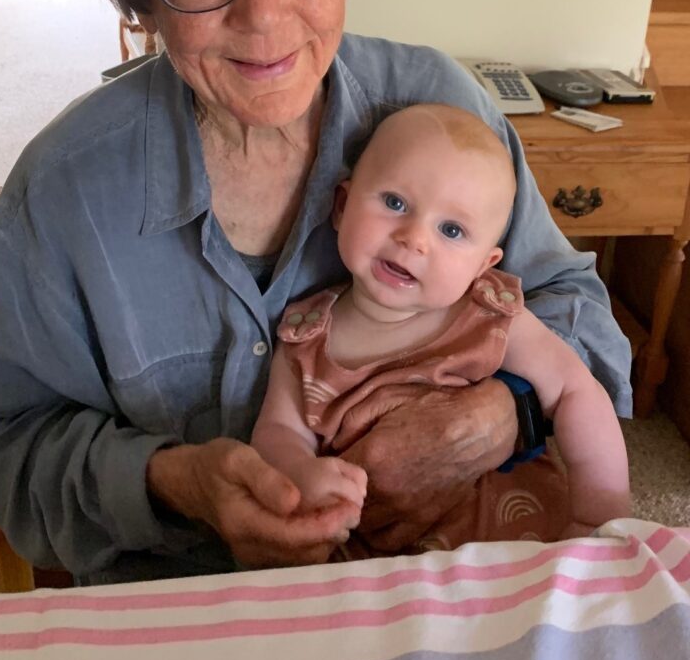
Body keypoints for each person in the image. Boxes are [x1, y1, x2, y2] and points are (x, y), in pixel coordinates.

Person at [0, 0, 632, 584]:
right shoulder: (66, 194)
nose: (263, 19)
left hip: (449, 579)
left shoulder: (440, 110)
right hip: (187, 598)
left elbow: (572, 309)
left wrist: (505, 410)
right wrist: (174, 482)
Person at [252, 104, 631, 551]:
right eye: (395, 203)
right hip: (385, 568)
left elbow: (576, 392)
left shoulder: (486, 315)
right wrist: (300, 470)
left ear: (482, 265)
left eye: (451, 230)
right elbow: (277, 432)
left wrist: (596, 519)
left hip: (520, 548)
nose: (414, 238)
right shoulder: (305, 337)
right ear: (342, 205)